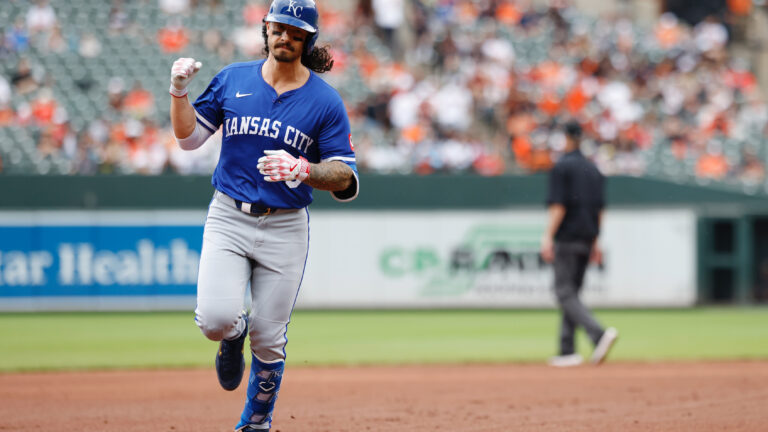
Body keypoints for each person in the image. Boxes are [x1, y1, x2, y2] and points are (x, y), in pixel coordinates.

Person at [168, 1, 359, 430]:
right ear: (266, 30)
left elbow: (345, 174)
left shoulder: (325, 101)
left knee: (270, 339)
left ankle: (256, 422)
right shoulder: (233, 78)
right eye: (278, 28)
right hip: (229, 216)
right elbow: (188, 139)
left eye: (295, 31)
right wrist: (178, 93)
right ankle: (233, 335)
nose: (285, 37)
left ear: (307, 40)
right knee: (215, 321)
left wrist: (304, 170)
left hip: (286, 224)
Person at [540, 121, 617, 367]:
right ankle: (567, 350)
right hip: (588, 237)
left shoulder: (562, 167)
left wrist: (547, 236)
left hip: (568, 237)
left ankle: (598, 334)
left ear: (566, 138)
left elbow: (558, 206)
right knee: (572, 292)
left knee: (563, 292)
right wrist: (596, 241)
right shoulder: (594, 169)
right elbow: (600, 210)